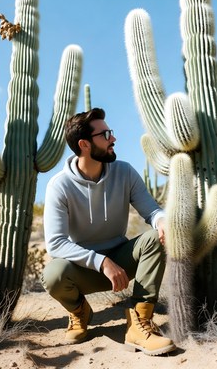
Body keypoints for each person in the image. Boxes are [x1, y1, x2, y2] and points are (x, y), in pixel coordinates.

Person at [41, 108, 176, 356]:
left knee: (154, 239)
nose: (113, 139)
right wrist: (101, 262)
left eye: (110, 133)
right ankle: (80, 311)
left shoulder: (124, 172)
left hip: (123, 261)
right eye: (105, 135)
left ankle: (139, 321)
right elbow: (56, 243)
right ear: (84, 144)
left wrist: (163, 220)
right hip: (86, 269)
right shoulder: (59, 186)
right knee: (53, 274)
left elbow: (151, 211)